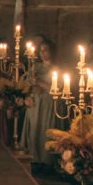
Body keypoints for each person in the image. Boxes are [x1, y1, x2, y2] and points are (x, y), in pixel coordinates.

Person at [21, 38, 60, 170]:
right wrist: (29, 93)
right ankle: (34, 159)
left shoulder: (57, 69)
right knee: (34, 130)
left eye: (46, 50)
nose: (42, 53)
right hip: (35, 104)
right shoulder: (35, 67)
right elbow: (26, 85)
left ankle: (47, 162)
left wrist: (40, 82)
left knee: (46, 130)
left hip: (49, 105)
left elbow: (58, 88)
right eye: (41, 50)